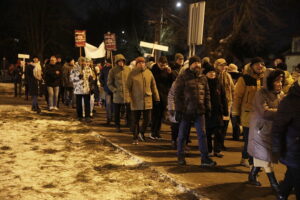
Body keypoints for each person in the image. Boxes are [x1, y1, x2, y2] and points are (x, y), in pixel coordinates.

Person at [247, 70, 285, 198]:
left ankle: (252, 174)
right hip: (260, 129)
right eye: (277, 81)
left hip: (272, 130)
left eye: (281, 81)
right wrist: (281, 112)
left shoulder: (280, 94)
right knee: (266, 157)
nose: (279, 84)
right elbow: (265, 112)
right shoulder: (261, 93)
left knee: (263, 156)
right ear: (270, 82)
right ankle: (274, 185)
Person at [174, 56, 216, 167]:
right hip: (185, 111)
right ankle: (180, 156)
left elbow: (207, 94)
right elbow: (177, 95)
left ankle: (204, 159)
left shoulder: (203, 78)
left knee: (202, 135)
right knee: (183, 134)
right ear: (190, 64)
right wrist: (178, 109)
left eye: (198, 62)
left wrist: (208, 107)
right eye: (195, 63)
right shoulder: (182, 77)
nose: (197, 65)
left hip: (200, 110)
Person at [232, 57, 266, 167]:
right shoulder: (244, 79)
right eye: (257, 64)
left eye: (261, 64)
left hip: (262, 115)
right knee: (249, 139)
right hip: (248, 114)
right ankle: (251, 163)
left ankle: (245, 158)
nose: (260, 66)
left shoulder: (265, 79)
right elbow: (237, 97)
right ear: (251, 66)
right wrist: (235, 114)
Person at [272, 77, 300, 200]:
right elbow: (278, 127)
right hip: (295, 149)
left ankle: (282, 195)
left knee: (290, 178)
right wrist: (277, 149)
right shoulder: (290, 101)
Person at [127, 57, 160, 144]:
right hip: (135, 99)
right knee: (135, 120)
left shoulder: (149, 73)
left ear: (145, 64)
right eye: (139, 63)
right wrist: (128, 98)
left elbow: (153, 86)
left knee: (147, 119)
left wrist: (157, 98)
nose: (141, 64)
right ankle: (135, 137)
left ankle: (141, 132)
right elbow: (128, 87)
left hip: (147, 99)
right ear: (136, 64)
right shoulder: (132, 74)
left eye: (143, 63)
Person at [203, 64, 228, 157]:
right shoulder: (203, 83)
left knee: (218, 132)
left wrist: (225, 110)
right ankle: (209, 150)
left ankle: (217, 150)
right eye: (210, 72)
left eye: (213, 72)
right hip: (207, 111)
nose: (212, 74)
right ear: (205, 73)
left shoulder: (218, 83)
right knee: (208, 132)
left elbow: (223, 97)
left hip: (217, 111)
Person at [213, 58, 235, 151]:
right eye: (221, 65)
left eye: (224, 65)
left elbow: (232, 89)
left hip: (227, 104)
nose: (223, 67)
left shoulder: (227, 76)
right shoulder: (213, 75)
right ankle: (215, 145)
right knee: (217, 126)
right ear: (216, 65)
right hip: (217, 104)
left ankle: (221, 143)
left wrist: (232, 100)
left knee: (225, 125)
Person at [150, 56, 173, 139]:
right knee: (155, 114)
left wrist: (170, 73)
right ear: (158, 63)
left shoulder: (166, 71)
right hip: (155, 95)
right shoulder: (153, 70)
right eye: (161, 64)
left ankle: (157, 131)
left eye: (164, 64)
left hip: (164, 95)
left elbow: (170, 82)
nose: (162, 66)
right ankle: (153, 131)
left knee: (161, 115)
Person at [107, 54, 131, 132]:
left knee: (129, 111)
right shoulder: (112, 70)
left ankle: (129, 124)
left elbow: (132, 80)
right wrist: (114, 90)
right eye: (119, 61)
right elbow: (109, 83)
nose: (121, 62)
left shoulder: (128, 69)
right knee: (117, 112)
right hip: (117, 95)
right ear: (116, 62)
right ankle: (117, 126)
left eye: (122, 61)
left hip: (127, 94)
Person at [70, 57, 94, 122]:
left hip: (86, 88)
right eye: (82, 62)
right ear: (79, 62)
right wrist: (78, 77)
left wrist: (91, 78)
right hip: (78, 89)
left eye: (84, 62)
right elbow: (71, 79)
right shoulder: (74, 69)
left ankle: (87, 116)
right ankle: (79, 116)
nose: (83, 63)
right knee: (79, 104)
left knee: (87, 103)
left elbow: (91, 76)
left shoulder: (88, 68)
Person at [227, 63, 241, 140]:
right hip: (233, 101)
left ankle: (236, 135)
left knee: (234, 120)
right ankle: (236, 136)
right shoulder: (239, 78)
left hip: (233, 101)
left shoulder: (228, 77)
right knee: (235, 120)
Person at [100, 58, 113, 125]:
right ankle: (109, 118)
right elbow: (101, 78)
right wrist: (103, 84)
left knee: (114, 105)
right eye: (106, 62)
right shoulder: (104, 69)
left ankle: (113, 117)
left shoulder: (114, 68)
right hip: (107, 89)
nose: (106, 64)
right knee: (108, 104)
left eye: (107, 62)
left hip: (115, 90)